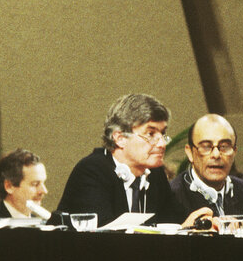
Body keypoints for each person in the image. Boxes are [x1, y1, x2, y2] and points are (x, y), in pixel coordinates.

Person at [58, 93, 212, 228]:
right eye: (151, 134)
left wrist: (196, 224)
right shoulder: (92, 171)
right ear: (120, 138)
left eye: (162, 134)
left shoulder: (155, 173)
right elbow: (100, 238)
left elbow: (175, 221)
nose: (162, 144)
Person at [171, 114, 243, 220]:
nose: (216, 155)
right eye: (206, 146)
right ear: (190, 153)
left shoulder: (242, 188)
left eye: (224, 146)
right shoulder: (173, 195)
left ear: (234, 152)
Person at [0, 149, 48, 219]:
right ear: (9, 186)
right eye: (35, 184)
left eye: (43, 183)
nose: (44, 191)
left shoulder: (40, 222)